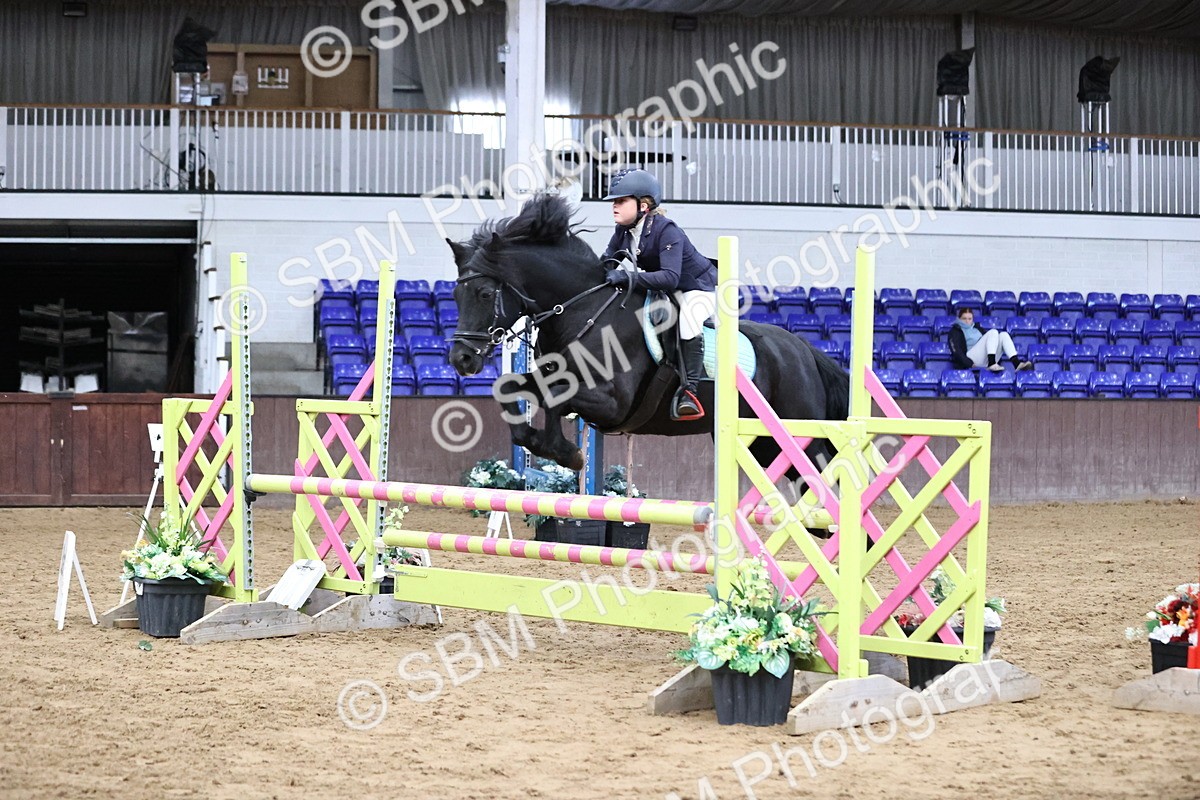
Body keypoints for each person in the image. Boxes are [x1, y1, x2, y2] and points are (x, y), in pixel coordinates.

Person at [599, 168, 716, 420]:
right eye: (614, 201)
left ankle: (690, 392)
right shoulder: (622, 231)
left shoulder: (667, 230)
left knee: (687, 322)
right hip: (665, 289)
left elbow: (670, 277)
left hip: (696, 288)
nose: (614, 206)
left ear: (643, 205)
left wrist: (626, 277)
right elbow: (606, 264)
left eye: (621, 201)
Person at [948, 307, 1032, 372]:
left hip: (984, 359)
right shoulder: (955, 330)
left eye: (969, 319)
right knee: (993, 332)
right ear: (959, 319)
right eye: (964, 318)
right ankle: (992, 363)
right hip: (970, 358)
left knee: (1003, 335)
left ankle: (1016, 363)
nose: (967, 321)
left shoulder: (977, 328)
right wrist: (970, 363)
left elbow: (991, 343)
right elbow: (957, 351)